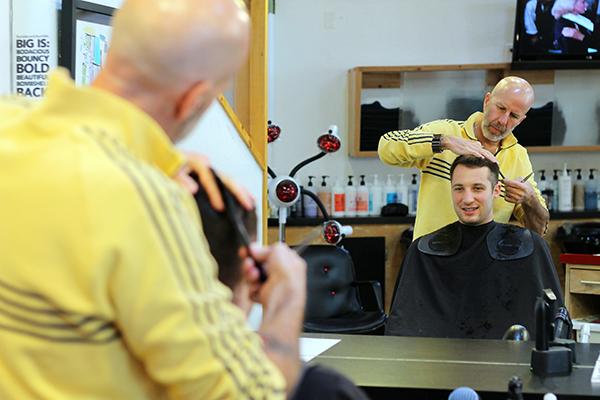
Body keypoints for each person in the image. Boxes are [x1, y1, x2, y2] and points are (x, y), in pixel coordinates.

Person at [0, 0, 308, 398]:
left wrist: (155, 157)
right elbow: (251, 394)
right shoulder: (143, 201)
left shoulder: (11, 123)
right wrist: (286, 298)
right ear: (194, 99)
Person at [385, 155, 564, 339]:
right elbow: (401, 327)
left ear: (496, 191)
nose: (467, 199)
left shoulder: (530, 246)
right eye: (459, 189)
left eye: (477, 188)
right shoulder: (422, 250)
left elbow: (555, 326)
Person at [378, 76, 549, 240]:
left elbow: (538, 230)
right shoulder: (446, 132)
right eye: (501, 108)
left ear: (522, 120)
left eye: (514, 116)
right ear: (487, 101)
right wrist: (442, 142)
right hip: (431, 260)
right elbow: (386, 146)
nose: (503, 121)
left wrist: (530, 200)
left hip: (485, 263)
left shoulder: (518, 157)